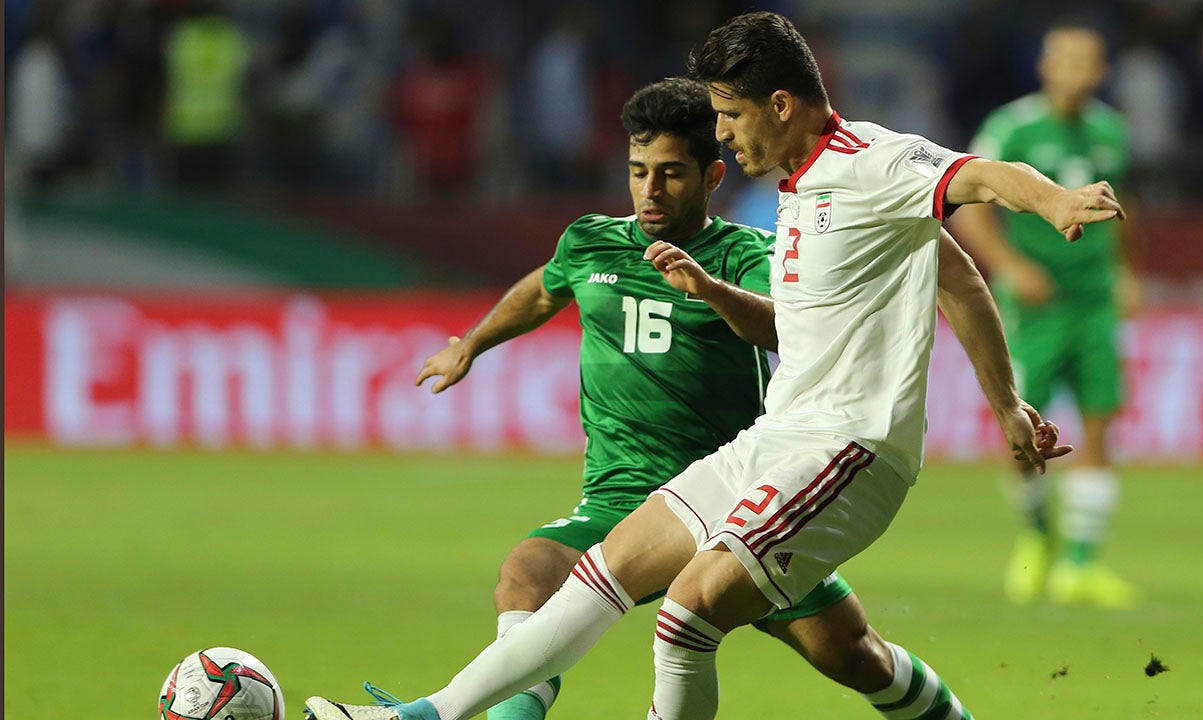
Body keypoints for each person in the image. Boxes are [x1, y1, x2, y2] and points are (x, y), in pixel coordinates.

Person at [306, 11, 1118, 720]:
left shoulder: (869, 161)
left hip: (851, 447)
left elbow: (982, 177)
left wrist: (1053, 200)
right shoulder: (798, 190)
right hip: (776, 439)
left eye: (730, 115)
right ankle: (424, 715)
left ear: (780, 105)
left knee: (687, 612)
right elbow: (957, 275)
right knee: (599, 576)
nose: (722, 132)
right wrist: (1006, 403)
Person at [407, 76, 885, 720]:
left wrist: (709, 289)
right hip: (618, 501)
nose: (650, 190)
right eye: (638, 172)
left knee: (856, 658)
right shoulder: (590, 241)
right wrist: (472, 343)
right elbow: (544, 290)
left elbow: (785, 325)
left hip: (734, 505)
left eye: (671, 173)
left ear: (713, 176)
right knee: (527, 575)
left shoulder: (746, 253)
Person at [949, 20, 1140, 609]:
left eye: (1087, 62)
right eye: (1066, 60)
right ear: (1046, 66)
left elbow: (1123, 210)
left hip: (1094, 301)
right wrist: (1010, 267)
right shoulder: (1013, 129)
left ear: (1101, 71)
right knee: (1023, 429)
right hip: (1035, 307)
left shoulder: (1111, 131)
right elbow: (970, 208)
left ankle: (1080, 563)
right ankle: (1037, 540)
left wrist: (1125, 270)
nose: (1077, 72)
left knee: (1100, 419)